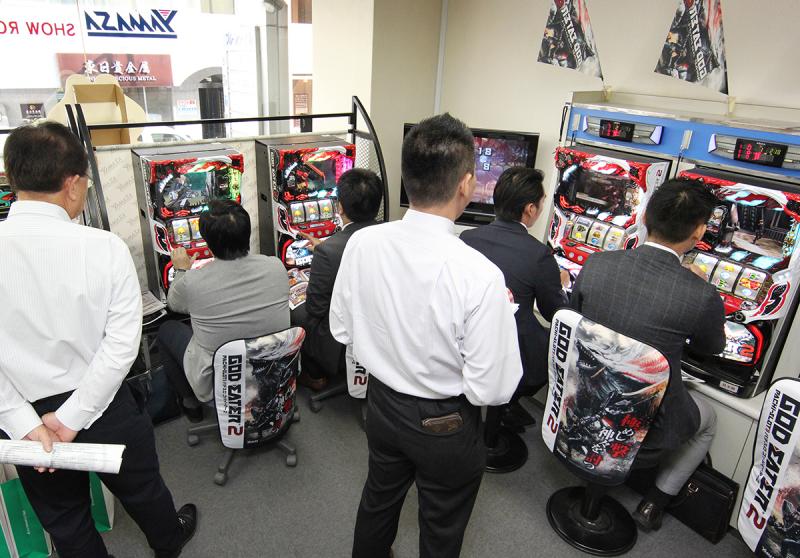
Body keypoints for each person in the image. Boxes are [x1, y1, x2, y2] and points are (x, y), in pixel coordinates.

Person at [330, 113, 523, 558]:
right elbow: (492, 389)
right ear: (466, 185)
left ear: (406, 178)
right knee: (441, 527)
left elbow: (341, 328)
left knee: (378, 499)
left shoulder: (363, 242)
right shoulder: (480, 275)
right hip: (444, 423)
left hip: (381, 405)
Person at [0, 122, 196, 558]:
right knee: (143, 490)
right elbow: (121, 345)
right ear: (72, 184)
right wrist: (71, 418)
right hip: (103, 404)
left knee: (67, 523)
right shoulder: (105, 247)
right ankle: (169, 541)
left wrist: (26, 423)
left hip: (26, 414)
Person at [570, 178, 726, 532]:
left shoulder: (597, 262)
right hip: (642, 427)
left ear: (644, 216)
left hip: (583, 401)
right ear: (699, 231)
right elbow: (711, 348)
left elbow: (575, 316)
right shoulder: (701, 294)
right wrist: (702, 285)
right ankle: (656, 501)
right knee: (709, 418)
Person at [157, 200, 290, 421]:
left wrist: (181, 269)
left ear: (207, 243)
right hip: (274, 373)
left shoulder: (193, 282)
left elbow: (174, 304)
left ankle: (190, 403)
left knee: (167, 330)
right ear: (247, 233)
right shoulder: (276, 265)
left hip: (223, 384)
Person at [461, 167, 569, 429]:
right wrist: (560, 284)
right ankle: (506, 404)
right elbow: (554, 312)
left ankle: (504, 405)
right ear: (530, 209)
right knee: (554, 348)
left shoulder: (467, 238)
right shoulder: (539, 255)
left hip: (467, 338)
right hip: (510, 348)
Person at [294, 168, 383, 391]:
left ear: (340, 207)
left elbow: (316, 309)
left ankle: (315, 374)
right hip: (381, 330)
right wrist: (324, 246)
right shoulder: (389, 235)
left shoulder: (328, 252)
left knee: (295, 311)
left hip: (342, 337)